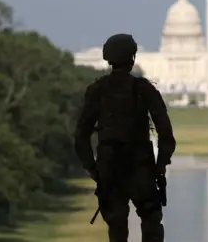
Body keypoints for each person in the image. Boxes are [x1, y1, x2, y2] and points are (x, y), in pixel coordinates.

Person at [74, 33, 176, 242]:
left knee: (117, 227)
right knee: (151, 223)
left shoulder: (97, 90)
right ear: (132, 58)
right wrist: (160, 166)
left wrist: (93, 169)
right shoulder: (145, 89)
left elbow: (81, 136)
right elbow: (166, 135)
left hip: (110, 168)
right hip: (140, 166)